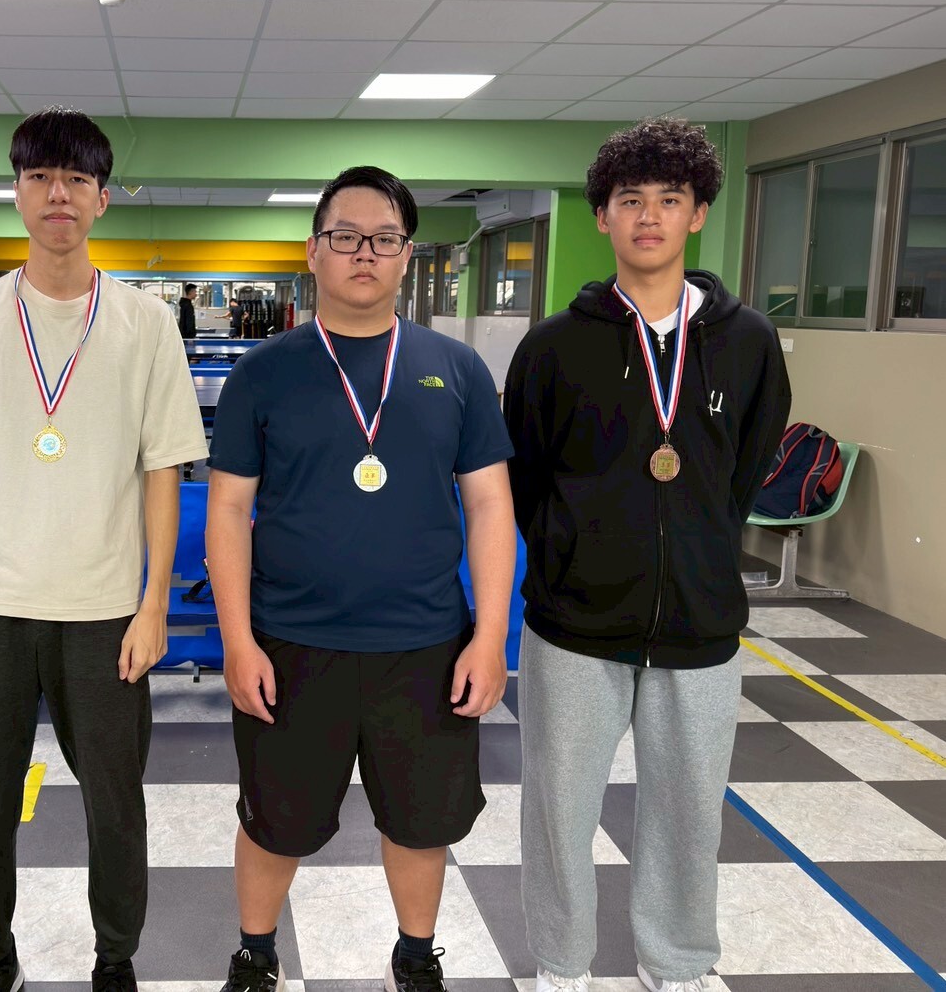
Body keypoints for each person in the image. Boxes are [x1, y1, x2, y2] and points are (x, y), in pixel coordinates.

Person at [0, 108, 206, 992]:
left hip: (104, 612)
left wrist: (152, 606)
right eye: (39, 177)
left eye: (76, 179)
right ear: (17, 193)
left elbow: (162, 472)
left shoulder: (145, 323)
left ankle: (115, 958)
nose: (57, 194)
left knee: (114, 804)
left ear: (102, 198)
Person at [206, 166, 517, 992]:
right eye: (345, 236)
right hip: (290, 644)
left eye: (384, 238)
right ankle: (255, 953)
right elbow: (228, 510)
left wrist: (489, 636)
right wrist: (236, 642)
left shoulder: (455, 369)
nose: (364, 253)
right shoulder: (262, 373)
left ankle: (414, 955)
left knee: (421, 823)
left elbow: (490, 504)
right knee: (274, 822)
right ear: (313, 251)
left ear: (407, 255)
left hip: (424, 645)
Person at [503, 118, 791, 992]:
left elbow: (743, 470)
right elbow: (526, 476)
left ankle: (677, 960)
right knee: (558, 809)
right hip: (574, 625)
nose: (649, 217)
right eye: (630, 200)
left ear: (697, 214)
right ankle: (561, 964)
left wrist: (695, 550)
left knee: (686, 811)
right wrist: (570, 557)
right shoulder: (554, 345)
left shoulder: (746, 342)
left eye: (670, 199)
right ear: (602, 217)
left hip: (700, 624)